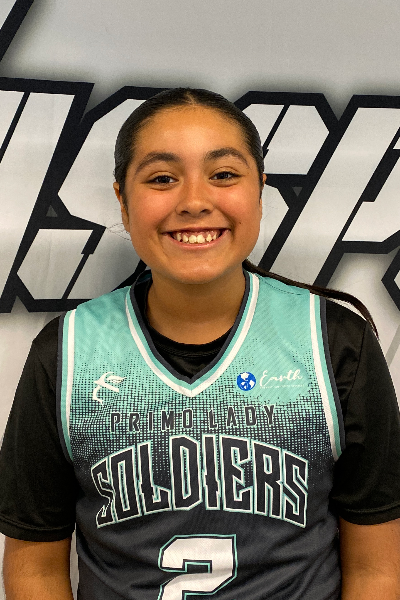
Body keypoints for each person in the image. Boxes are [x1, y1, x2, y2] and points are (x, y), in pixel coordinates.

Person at [1, 87, 400, 600]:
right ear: (123, 200)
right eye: (162, 178)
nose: (194, 201)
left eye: (224, 174)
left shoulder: (333, 343)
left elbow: (376, 568)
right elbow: (34, 567)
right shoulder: (68, 352)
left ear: (260, 190)